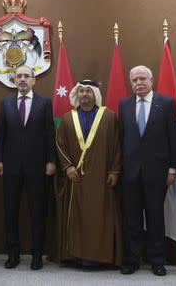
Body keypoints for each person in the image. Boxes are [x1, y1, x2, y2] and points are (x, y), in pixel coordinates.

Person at [118, 65, 176, 276]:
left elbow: (174, 138)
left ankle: (157, 260)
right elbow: (121, 139)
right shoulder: (124, 105)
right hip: (131, 172)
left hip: (158, 172)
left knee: (155, 218)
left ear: (151, 81)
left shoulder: (167, 104)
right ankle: (132, 259)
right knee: (132, 218)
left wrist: (172, 169)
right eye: (134, 80)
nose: (139, 83)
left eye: (143, 79)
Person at [55, 80, 122, 267]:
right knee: (77, 215)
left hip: (101, 177)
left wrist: (114, 170)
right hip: (75, 177)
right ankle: (75, 255)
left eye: (88, 92)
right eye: (81, 91)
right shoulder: (68, 118)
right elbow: (59, 144)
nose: (85, 95)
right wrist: (67, 167)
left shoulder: (109, 117)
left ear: (95, 95)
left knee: (99, 216)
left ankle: (98, 257)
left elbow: (117, 145)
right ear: (77, 94)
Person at [0, 65, 56, 270]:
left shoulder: (44, 103)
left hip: (38, 166)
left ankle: (37, 254)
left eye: (26, 76)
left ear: (33, 81)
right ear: (14, 80)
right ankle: (13, 254)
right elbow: (0, 134)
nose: (22, 79)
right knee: (10, 211)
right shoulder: (5, 103)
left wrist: (51, 161)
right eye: (19, 76)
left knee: (37, 211)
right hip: (11, 166)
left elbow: (49, 133)